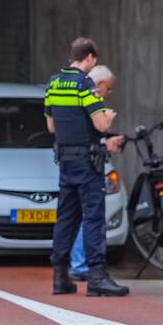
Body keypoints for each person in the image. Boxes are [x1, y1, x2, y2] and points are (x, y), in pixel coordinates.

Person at [44, 38, 129, 297]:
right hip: (88, 161)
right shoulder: (85, 85)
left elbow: (51, 127)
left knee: (66, 217)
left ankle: (60, 277)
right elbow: (102, 126)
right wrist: (108, 116)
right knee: (93, 217)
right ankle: (97, 278)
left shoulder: (53, 84)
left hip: (65, 162)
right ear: (90, 58)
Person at [69, 65, 124, 281]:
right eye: (108, 89)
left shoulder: (71, 92)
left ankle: (77, 264)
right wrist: (106, 133)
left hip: (72, 163)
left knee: (77, 215)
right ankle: (83, 265)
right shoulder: (89, 95)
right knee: (91, 216)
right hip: (86, 164)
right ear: (100, 84)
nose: (108, 93)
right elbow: (94, 131)